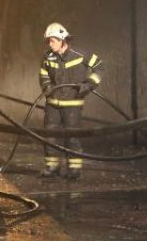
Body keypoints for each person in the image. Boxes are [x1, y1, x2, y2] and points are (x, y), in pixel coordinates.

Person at [39, 22, 104, 180]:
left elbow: (100, 66)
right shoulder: (48, 57)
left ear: (63, 40)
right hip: (52, 104)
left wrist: (89, 84)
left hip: (73, 104)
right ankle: (52, 167)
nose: (49, 44)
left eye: (52, 40)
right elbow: (43, 73)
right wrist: (46, 86)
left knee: (72, 137)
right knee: (49, 135)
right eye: (48, 41)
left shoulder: (80, 54)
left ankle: (74, 170)